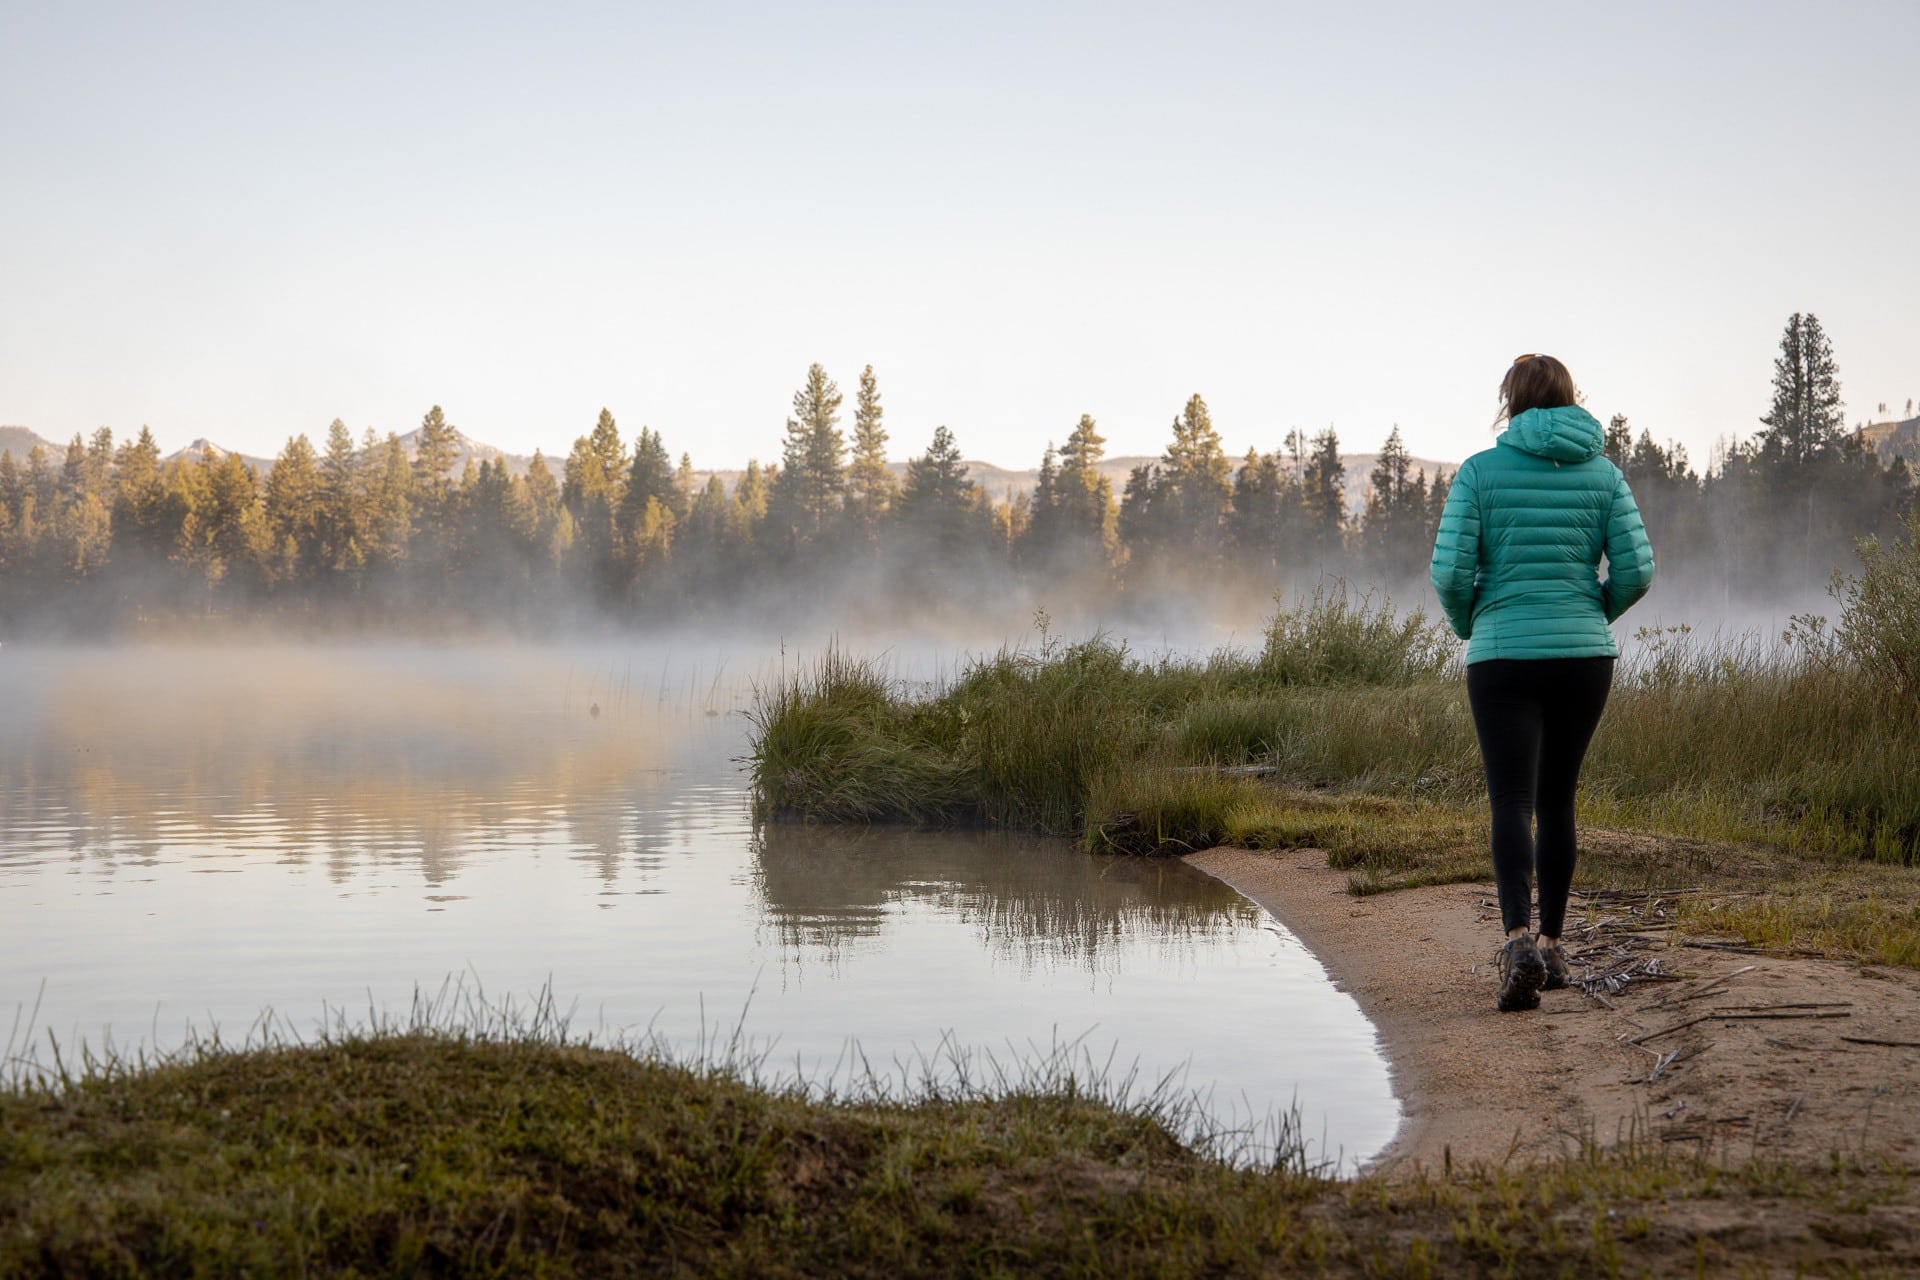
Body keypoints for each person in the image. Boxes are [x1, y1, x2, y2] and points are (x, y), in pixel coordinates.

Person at [1429, 354, 1654, 1012]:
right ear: (1569, 397)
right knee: (1558, 801)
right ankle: (1554, 948)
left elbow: (1449, 574)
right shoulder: (1604, 474)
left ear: (1512, 402)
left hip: (1503, 655)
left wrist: (1473, 619)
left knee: (1510, 802)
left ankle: (1518, 940)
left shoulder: (1479, 472)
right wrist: (1590, 616)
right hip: (1585, 657)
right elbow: (1637, 569)